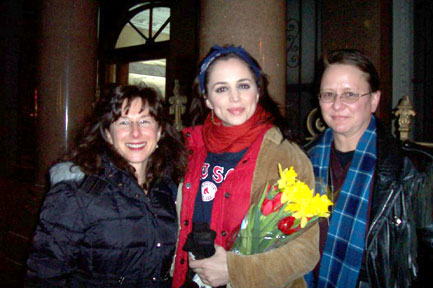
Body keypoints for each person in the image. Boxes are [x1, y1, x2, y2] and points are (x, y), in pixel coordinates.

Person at [172, 45, 319, 288]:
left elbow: (306, 250)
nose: (235, 97)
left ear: (258, 91)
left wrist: (235, 271)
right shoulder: (188, 149)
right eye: (222, 89)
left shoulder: (284, 156)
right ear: (207, 99)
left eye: (243, 85)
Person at [25, 85, 187, 287]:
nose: (135, 133)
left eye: (144, 121)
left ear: (160, 131)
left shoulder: (168, 189)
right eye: (123, 122)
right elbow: (45, 275)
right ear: (108, 135)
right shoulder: (77, 192)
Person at [306, 49, 433, 288]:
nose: (336, 105)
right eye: (328, 94)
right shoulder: (303, 160)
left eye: (350, 95)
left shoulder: (412, 171)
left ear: (374, 100)